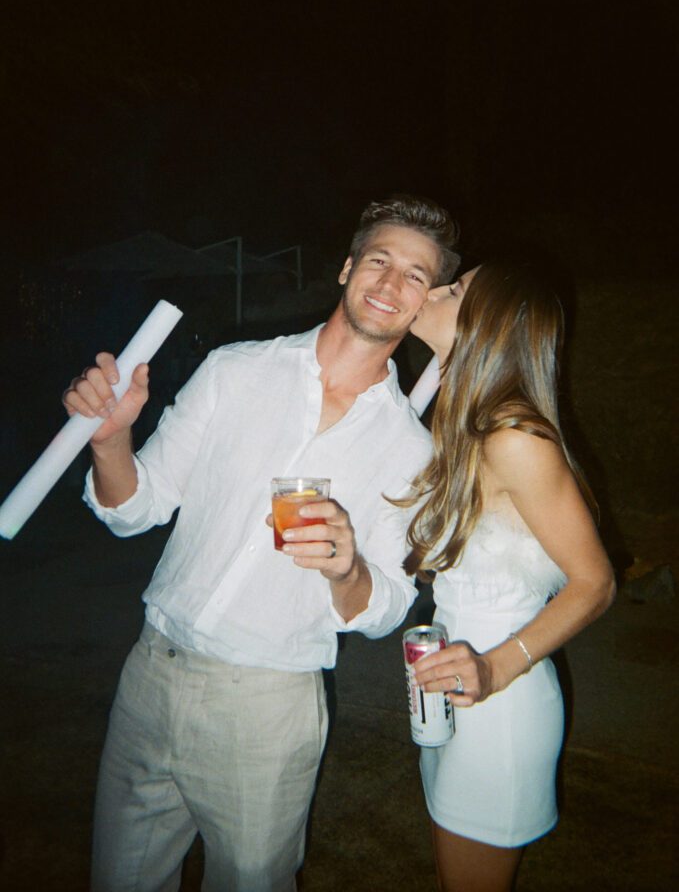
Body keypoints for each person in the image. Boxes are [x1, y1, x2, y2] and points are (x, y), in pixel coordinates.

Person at [63, 195, 460, 892]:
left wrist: (347, 570)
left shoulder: (413, 450)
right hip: (151, 675)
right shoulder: (233, 370)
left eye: (416, 276)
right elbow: (136, 508)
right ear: (345, 269)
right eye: (379, 261)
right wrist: (111, 439)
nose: (391, 285)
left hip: (268, 707)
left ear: (424, 301)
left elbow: (386, 605)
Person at [401, 263, 616, 892]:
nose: (433, 292)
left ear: (489, 323)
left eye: (455, 289)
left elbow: (595, 582)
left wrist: (496, 667)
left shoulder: (515, 436)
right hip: (451, 684)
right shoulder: (462, 419)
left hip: (501, 703)